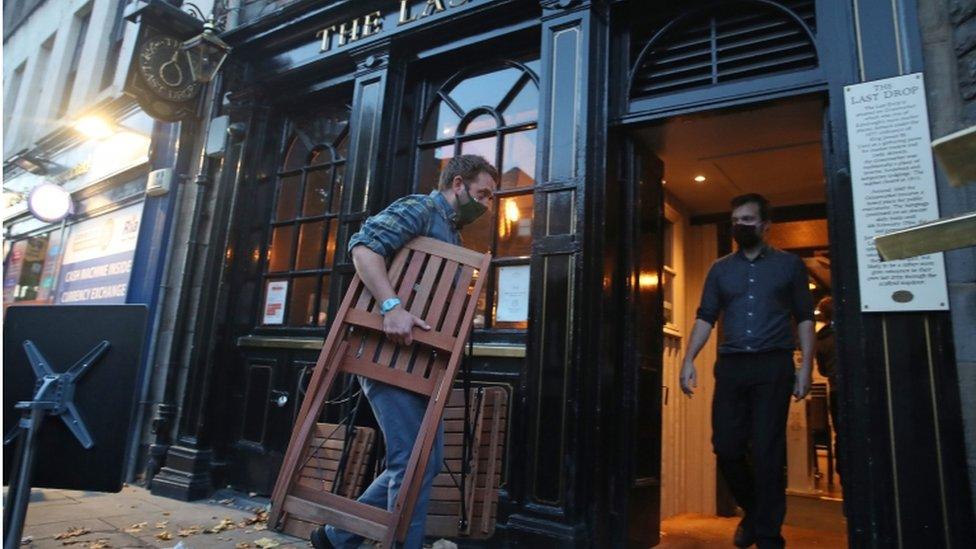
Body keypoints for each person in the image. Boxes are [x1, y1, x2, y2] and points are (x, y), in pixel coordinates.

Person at [310, 155, 497, 549]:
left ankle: (336, 538)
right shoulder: (420, 208)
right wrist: (391, 307)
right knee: (410, 462)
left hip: (418, 360)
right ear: (458, 184)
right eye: (483, 193)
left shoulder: (452, 234)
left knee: (422, 462)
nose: (487, 205)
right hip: (383, 355)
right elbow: (363, 249)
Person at [679, 193, 815, 549]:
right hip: (733, 366)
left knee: (769, 452)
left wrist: (806, 369)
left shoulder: (789, 266)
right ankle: (755, 511)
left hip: (774, 364)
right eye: (736, 219)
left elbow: (804, 318)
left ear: (766, 226)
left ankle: (769, 535)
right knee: (725, 446)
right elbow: (706, 317)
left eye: (748, 219)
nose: (740, 225)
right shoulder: (720, 269)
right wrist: (688, 359)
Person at [814, 296, 844, 493]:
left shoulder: (821, 340)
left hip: (835, 390)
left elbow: (823, 370)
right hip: (855, 388)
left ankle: (844, 474)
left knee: (841, 433)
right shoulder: (849, 331)